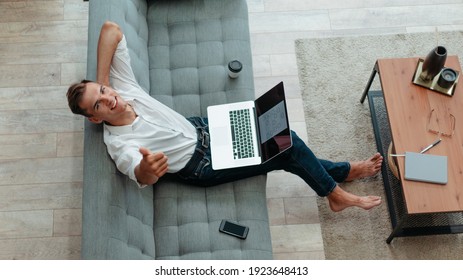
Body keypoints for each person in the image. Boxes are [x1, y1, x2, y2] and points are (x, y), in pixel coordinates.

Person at [67, 21, 383, 212]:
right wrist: (148, 168)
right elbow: (139, 172)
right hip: (203, 164)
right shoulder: (120, 145)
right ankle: (336, 190)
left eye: (104, 93)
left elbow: (111, 29)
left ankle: (341, 175)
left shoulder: (120, 89)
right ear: (94, 119)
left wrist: (104, 82)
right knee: (287, 143)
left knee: (279, 137)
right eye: (98, 105)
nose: (109, 100)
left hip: (204, 127)